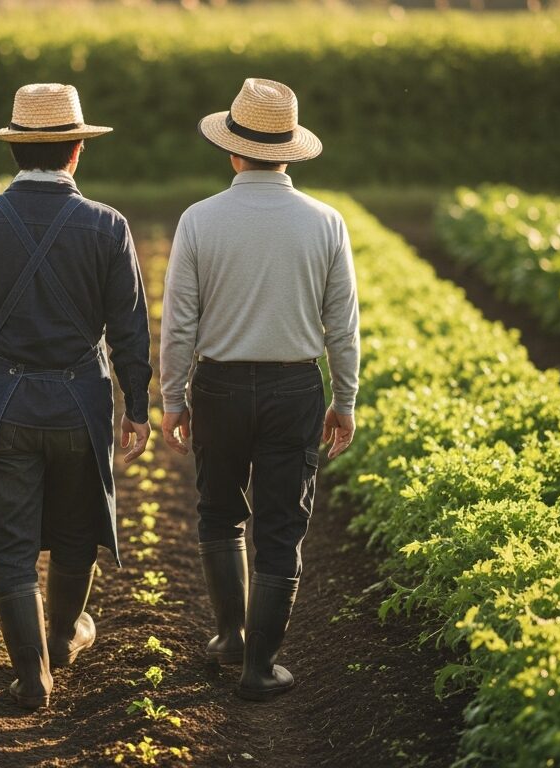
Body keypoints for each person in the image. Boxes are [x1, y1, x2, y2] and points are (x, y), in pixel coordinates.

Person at [0, 83, 153, 710]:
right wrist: (135, 406)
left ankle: (32, 678)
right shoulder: (108, 226)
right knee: (78, 532)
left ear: (14, 151)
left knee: (11, 545)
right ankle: (60, 640)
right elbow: (130, 329)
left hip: (5, 403)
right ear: (77, 151)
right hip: (82, 402)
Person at [158, 78, 360, 701]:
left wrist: (172, 398)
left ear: (233, 151)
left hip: (217, 384)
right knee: (280, 527)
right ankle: (260, 668)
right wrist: (345, 400)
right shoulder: (325, 223)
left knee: (220, 511)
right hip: (294, 388)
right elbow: (342, 326)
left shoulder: (199, 220)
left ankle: (229, 639)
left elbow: (178, 322)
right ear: (290, 150)